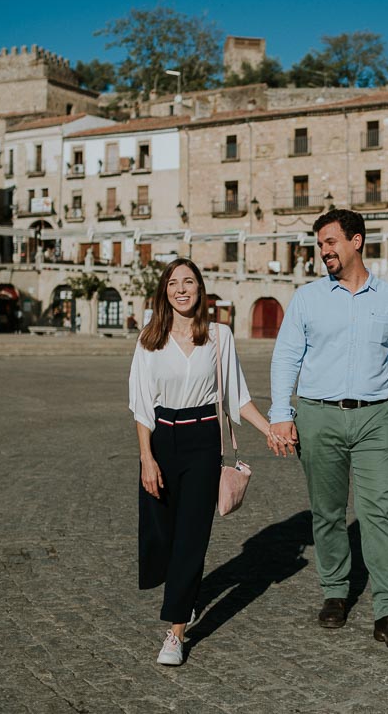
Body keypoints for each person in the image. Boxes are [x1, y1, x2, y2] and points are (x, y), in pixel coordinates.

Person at [269, 209, 388, 650]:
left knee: (380, 511)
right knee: (327, 512)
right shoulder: (307, 298)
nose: (324, 251)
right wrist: (281, 412)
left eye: (331, 242)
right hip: (317, 415)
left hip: (376, 417)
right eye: (320, 244)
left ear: (357, 241)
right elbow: (286, 357)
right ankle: (335, 592)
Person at [128, 258, 277, 666]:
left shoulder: (219, 336)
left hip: (202, 438)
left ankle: (175, 632)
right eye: (173, 283)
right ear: (164, 291)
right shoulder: (149, 340)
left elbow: (237, 396)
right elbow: (141, 407)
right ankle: (185, 593)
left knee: (192, 535)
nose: (181, 289)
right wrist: (146, 457)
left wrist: (269, 430)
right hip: (161, 438)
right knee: (162, 535)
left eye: (188, 282)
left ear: (200, 289)